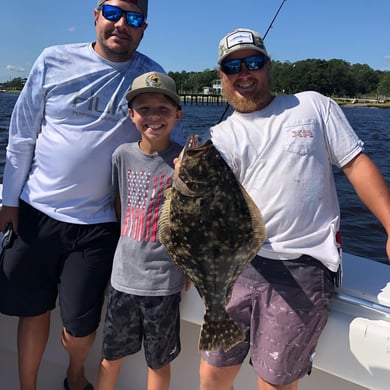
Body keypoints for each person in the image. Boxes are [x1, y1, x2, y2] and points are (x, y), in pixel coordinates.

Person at [0, 1, 183, 389]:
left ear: (144, 27)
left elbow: (166, 143)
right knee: (32, 311)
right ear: (96, 15)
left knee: (79, 327)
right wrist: (9, 201)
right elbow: (21, 136)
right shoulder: (53, 59)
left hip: (99, 224)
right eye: (114, 13)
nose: (122, 24)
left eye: (133, 18)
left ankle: (74, 374)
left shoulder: (151, 75)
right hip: (36, 211)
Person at [199, 28, 390, 390]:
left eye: (252, 62)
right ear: (222, 77)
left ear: (268, 66)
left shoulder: (312, 106)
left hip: (302, 266)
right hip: (236, 266)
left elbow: (356, 165)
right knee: (212, 372)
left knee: (275, 381)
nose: (244, 73)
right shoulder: (221, 135)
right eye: (232, 67)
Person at [96, 71, 188, 390]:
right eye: (144, 108)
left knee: (158, 362)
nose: (153, 117)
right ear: (131, 114)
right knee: (111, 356)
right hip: (123, 278)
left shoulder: (185, 161)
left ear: (178, 115)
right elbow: (119, 207)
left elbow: (191, 221)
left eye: (163, 109)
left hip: (164, 283)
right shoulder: (121, 156)